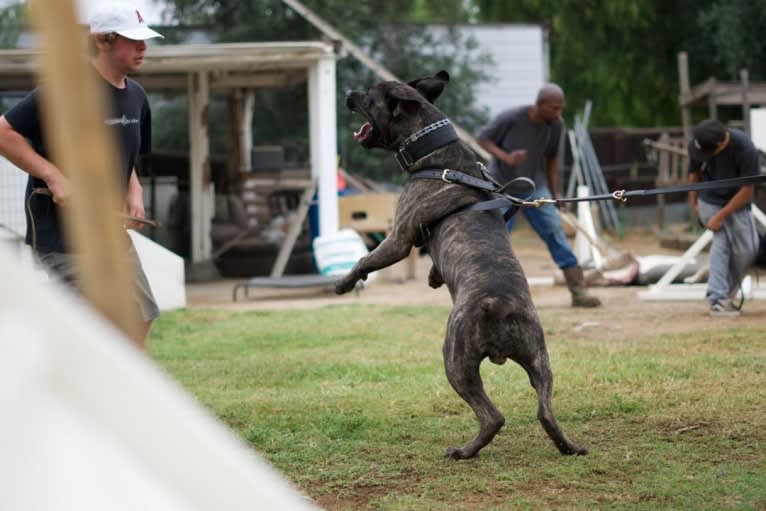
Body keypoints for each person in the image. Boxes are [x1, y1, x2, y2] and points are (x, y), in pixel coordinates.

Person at [0, 2, 164, 345]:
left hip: (109, 231)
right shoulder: (68, 92)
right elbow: (4, 132)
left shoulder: (136, 97)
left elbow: (124, 156)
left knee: (140, 314)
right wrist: (54, 176)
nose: (143, 47)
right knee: (87, 327)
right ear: (103, 41)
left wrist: (134, 192)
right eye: (133, 40)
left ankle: (114, 391)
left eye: (144, 39)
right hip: (61, 235)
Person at [477, 84, 601, 307]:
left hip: (536, 187)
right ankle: (489, 293)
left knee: (555, 232)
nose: (558, 113)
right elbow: (483, 139)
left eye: (561, 108)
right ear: (540, 104)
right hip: (501, 186)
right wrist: (506, 158)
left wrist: (556, 194)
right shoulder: (511, 117)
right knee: (498, 238)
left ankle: (578, 291)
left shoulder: (555, 125)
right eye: (554, 108)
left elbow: (552, 160)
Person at [687, 119, 760, 317]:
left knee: (748, 250)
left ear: (722, 143)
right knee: (723, 241)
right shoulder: (699, 143)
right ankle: (718, 298)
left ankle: (724, 294)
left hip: (737, 202)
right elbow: (693, 175)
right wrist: (694, 204)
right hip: (709, 199)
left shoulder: (745, 149)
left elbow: (746, 192)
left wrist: (721, 215)